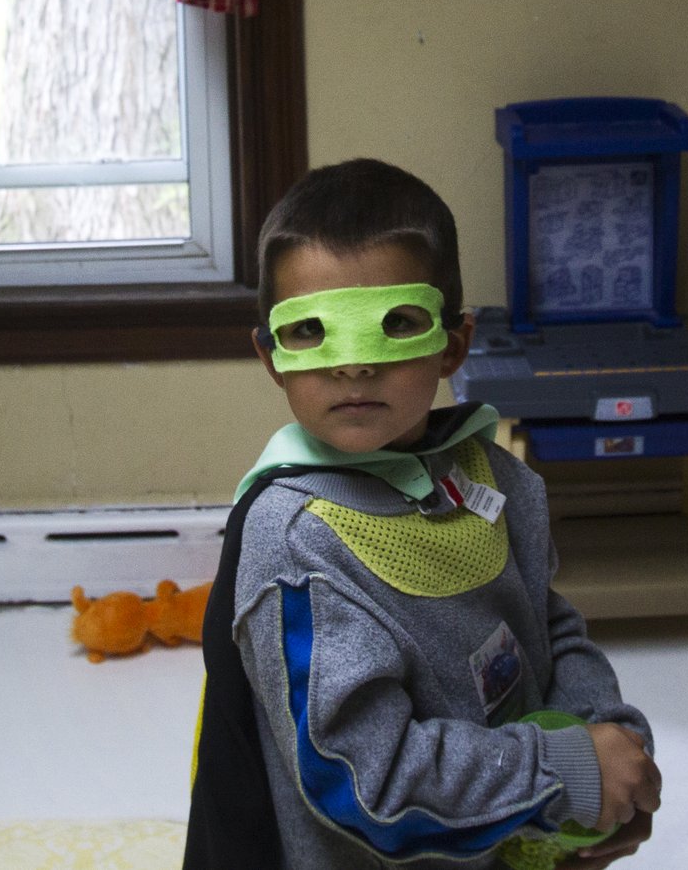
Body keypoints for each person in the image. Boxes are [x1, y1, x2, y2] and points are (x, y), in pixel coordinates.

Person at [180, 160, 661, 870]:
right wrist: (563, 774)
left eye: (394, 325)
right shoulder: (297, 546)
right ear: (272, 357)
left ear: (453, 344)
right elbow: (360, 782)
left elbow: (546, 628)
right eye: (312, 331)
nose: (353, 367)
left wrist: (604, 742)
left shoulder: (493, 477)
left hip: (514, 834)